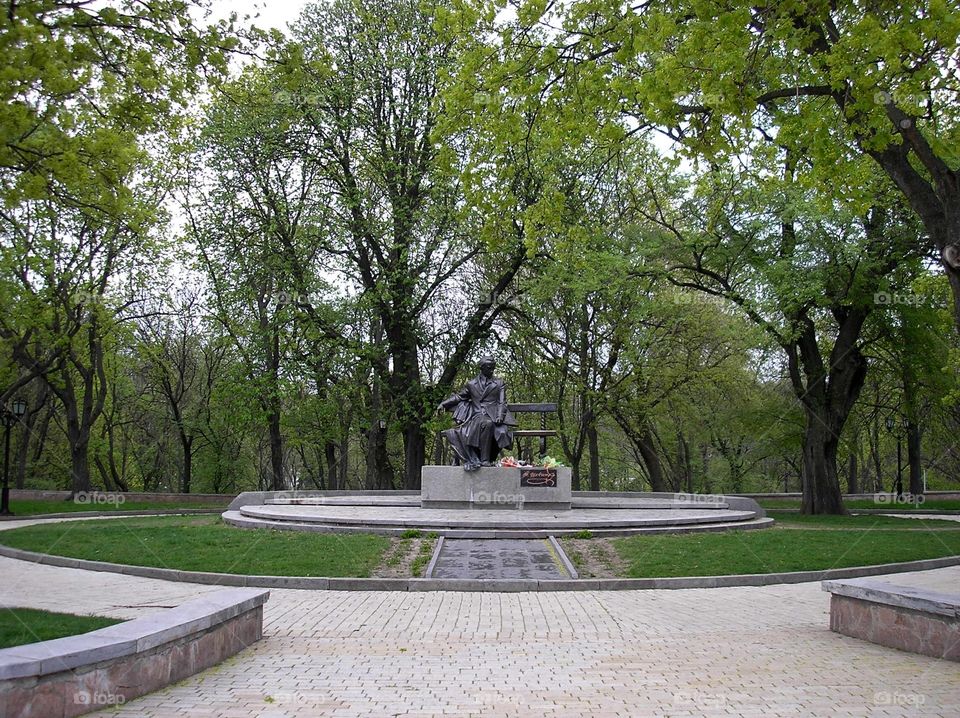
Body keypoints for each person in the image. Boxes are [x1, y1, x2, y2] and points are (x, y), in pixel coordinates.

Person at [438, 356, 516, 471]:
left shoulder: (499, 383)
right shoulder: (471, 384)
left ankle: (486, 459)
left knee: (498, 430)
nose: (491, 371)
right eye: (489, 368)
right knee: (487, 423)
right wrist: (444, 404)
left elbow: (502, 402)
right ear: (482, 368)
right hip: (477, 416)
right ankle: (484, 460)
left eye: (493, 368)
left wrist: (500, 416)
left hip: (495, 416)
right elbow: (460, 396)